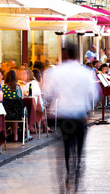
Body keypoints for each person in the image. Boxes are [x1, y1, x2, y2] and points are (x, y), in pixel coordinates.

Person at [43, 43, 96, 188]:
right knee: (80, 146)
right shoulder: (84, 71)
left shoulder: (56, 72)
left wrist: (51, 104)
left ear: (64, 55)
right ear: (77, 54)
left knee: (67, 146)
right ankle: (78, 168)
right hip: (80, 114)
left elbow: (47, 93)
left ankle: (68, 171)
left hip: (64, 115)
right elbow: (93, 94)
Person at [2, 69, 23, 142]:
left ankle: (3, 134)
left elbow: (1, 98)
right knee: (15, 115)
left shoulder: (3, 87)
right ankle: (16, 135)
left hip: (6, 113)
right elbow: (21, 98)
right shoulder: (18, 87)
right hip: (17, 114)